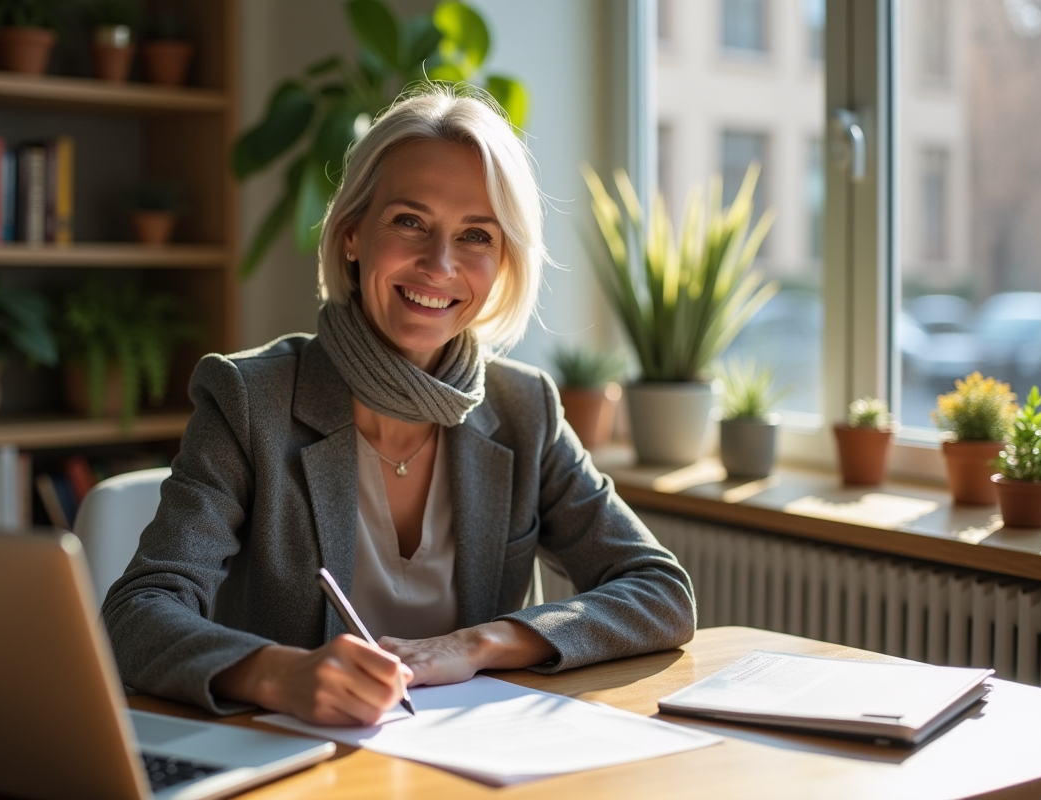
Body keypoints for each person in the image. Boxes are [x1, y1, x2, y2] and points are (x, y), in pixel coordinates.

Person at [102, 85, 696, 727]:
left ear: (502, 263)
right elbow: (138, 613)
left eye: (476, 235)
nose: (439, 264)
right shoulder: (250, 400)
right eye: (409, 221)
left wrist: (481, 643)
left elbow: (660, 592)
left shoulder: (525, 407)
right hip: (299, 760)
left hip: (470, 763)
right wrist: (280, 673)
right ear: (353, 234)